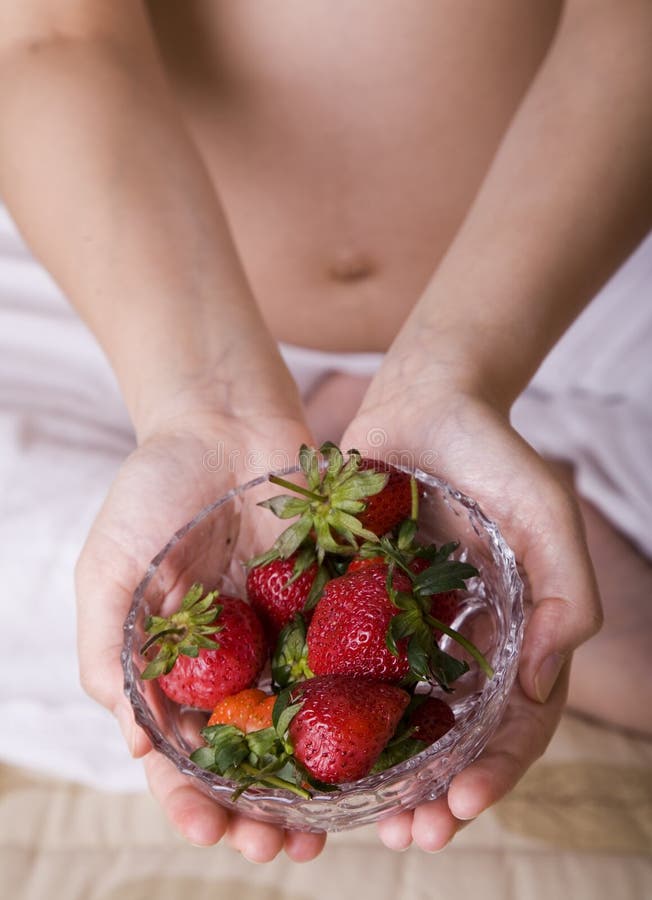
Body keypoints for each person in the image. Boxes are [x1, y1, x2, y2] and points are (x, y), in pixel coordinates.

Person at [0, 0, 650, 864]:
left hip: (563, 281)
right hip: (148, 297)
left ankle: (486, 523)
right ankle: (517, 568)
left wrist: (459, 371)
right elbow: (51, 39)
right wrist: (201, 403)